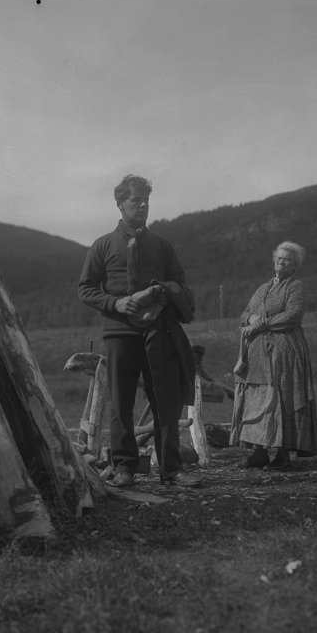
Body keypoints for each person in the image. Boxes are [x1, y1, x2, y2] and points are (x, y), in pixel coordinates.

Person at [78, 174, 201, 488]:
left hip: (159, 332)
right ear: (120, 204)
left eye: (147, 200)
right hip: (119, 334)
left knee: (165, 400)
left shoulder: (161, 245)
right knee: (121, 404)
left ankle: (171, 469)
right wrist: (116, 304)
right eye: (136, 200)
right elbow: (86, 289)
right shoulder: (103, 245)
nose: (143, 206)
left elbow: (181, 284)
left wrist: (161, 293)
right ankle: (124, 468)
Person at [230, 241, 317, 470]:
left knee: (282, 397)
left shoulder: (295, 287)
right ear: (273, 261)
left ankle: (282, 455)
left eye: (287, 259)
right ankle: (258, 452)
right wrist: (250, 320)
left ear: (294, 266)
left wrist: (261, 325)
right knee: (257, 399)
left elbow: (293, 315)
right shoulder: (262, 288)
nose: (281, 261)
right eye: (279, 258)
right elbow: (245, 313)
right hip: (257, 355)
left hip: (284, 351)